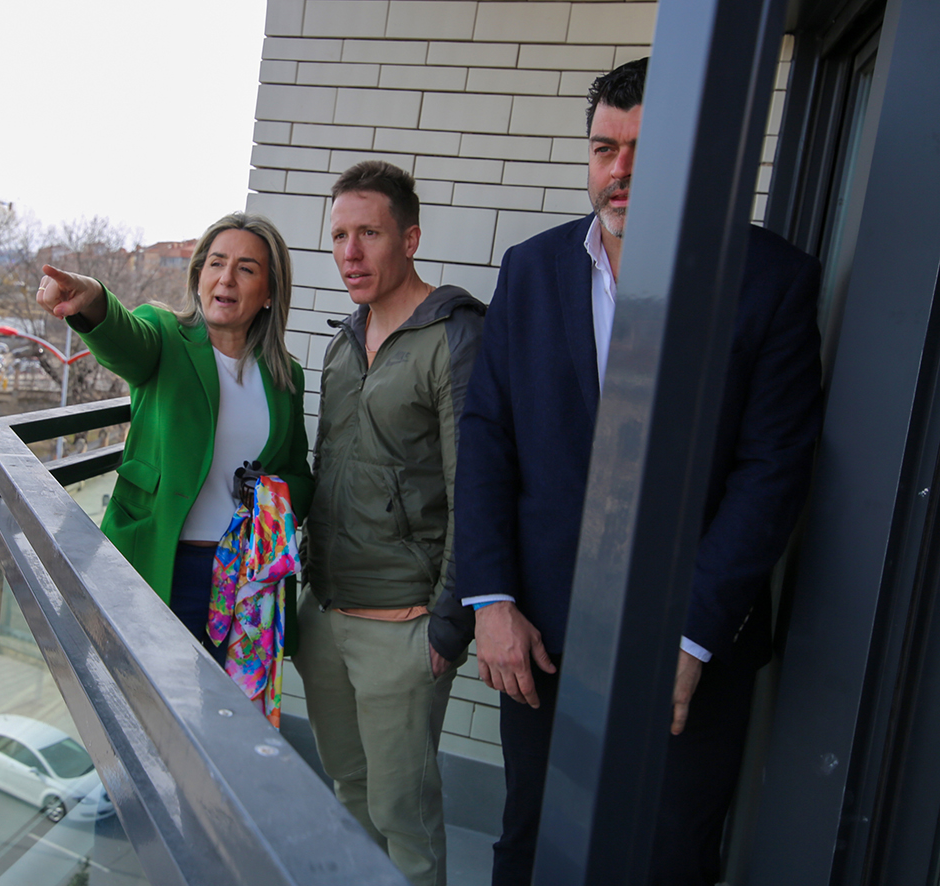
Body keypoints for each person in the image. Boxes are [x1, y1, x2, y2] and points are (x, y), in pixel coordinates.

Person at [442, 58, 824, 885]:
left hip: (688, 644)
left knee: (667, 858)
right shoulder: (533, 269)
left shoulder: (772, 282)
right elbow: (486, 436)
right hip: (537, 636)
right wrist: (491, 600)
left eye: (641, 151)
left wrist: (690, 636)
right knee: (530, 845)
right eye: (603, 148)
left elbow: (772, 468)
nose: (618, 173)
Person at [298, 160, 485, 886]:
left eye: (368, 233)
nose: (349, 251)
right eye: (339, 235)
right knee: (348, 795)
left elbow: (475, 485)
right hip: (326, 613)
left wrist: (447, 621)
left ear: (408, 238)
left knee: (404, 817)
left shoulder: (453, 335)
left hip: (402, 623)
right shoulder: (341, 345)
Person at [35, 212, 313, 660]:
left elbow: (300, 477)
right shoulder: (165, 335)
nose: (227, 278)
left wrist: (270, 494)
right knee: (145, 711)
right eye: (216, 263)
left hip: (247, 581)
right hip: (160, 562)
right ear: (199, 274)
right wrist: (93, 300)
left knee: (226, 718)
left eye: (246, 269)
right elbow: (125, 339)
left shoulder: (286, 377)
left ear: (268, 293)